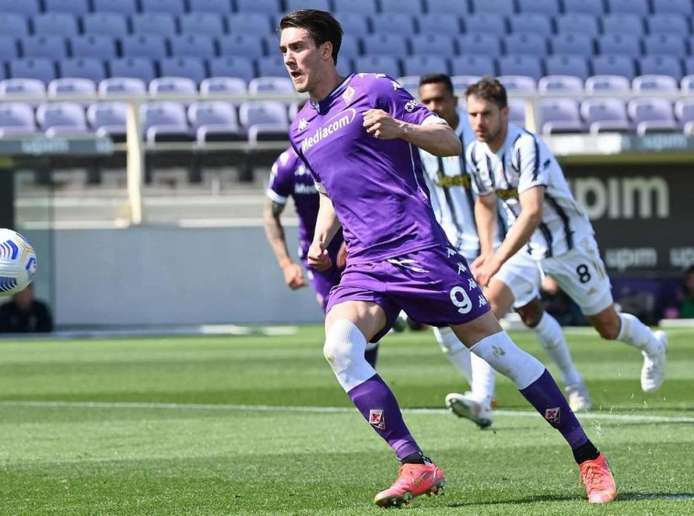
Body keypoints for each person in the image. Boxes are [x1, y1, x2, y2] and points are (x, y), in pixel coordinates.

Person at [280, 10, 615, 507]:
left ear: (327, 49)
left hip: (418, 250)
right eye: (284, 49)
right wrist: (323, 234)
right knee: (339, 348)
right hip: (366, 264)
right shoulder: (302, 128)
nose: (289, 58)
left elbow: (449, 140)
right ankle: (415, 464)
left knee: (497, 353)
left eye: (299, 47)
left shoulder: (374, 89)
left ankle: (588, 456)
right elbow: (332, 187)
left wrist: (400, 128)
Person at [465, 77, 667, 397]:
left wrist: (495, 260)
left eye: (486, 114)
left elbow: (532, 212)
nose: (478, 121)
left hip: (568, 244)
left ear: (504, 113)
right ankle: (481, 399)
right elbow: (485, 203)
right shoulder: (475, 153)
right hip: (524, 248)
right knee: (487, 307)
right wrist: (488, 253)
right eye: (473, 114)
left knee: (607, 326)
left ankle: (653, 345)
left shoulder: (525, 146)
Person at [416, 74, 592, 429]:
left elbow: (496, 199)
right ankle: (483, 392)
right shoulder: (423, 145)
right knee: (448, 325)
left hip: (500, 247)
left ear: (455, 103)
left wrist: (493, 251)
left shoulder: (479, 140)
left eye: (439, 100)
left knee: (504, 312)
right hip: (452, 249)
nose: (433, 108)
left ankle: (564, 385)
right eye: (427, 102)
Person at [263, 146, 379, 366]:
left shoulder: (346, 152)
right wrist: (286, 263)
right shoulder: (287, 164)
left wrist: (356, 238)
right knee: (339, 327)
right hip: (318, 257)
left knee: (361, 321)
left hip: (357, 248)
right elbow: (270, 214)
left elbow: (370, 196)